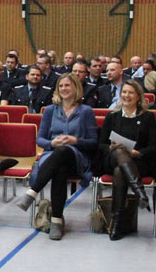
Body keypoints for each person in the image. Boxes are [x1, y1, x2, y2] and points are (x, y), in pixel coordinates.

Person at [13, 74, 98, 240]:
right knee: (60, 168)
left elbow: (93, 142)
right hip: (52, 155)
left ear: (76, 88)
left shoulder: (86, 111)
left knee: (64, 151)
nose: (64, 89)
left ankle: (32, 192)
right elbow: (40, 139)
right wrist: (52, 143)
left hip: (77, 157)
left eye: (67, 85)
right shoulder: (50, 110)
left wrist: (75, 140)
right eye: (61, 86)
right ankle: (56, 221)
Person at [98, 79, 156, 240]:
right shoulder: (112, 117)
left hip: (138, 161)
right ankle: (139, 192)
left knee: (120, 171)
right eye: (124, 92)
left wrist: (137, 152)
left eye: (131, 93)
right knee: (119, 152)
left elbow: (154, 147)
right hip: (112, 159)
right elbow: (101, 144)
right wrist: (110, 148)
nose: (126, 95)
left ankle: (117, 222)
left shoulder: (147, 117)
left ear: (138, 96)